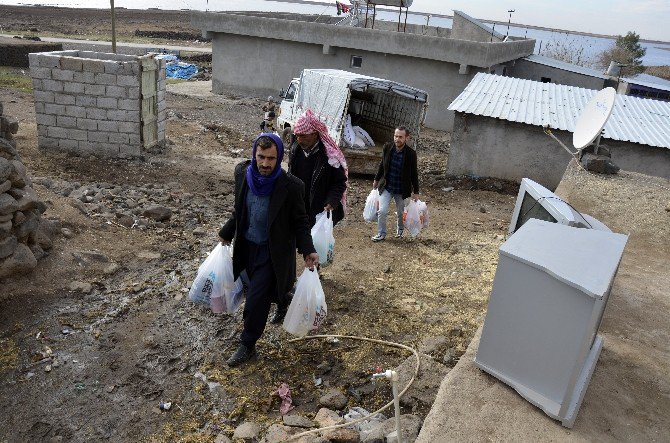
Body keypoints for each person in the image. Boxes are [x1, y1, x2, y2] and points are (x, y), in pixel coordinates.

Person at [218, 133, 319, 367]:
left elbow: (301, 222)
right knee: (257, 287)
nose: (265, 164)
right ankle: (283, 300)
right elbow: (239, 211)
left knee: (255, 299)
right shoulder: (243, 175)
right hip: (246, 247)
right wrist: (226, 233)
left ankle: (248, 343)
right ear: (254, 154)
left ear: (279, 158)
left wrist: (308, 250)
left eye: (271, 158)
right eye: (261, 157)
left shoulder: (292, 186)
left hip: (271, 252)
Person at [288, 108, 348, 228]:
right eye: (297, 136)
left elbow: (340, 182)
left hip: (318, 209)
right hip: (297, 206)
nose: (299, 140)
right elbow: (290, 174)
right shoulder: (295, 149)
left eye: (303, 136)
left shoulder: (329, 156)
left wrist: (332, 200)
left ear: (315, 134)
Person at [371, 126, 419, 242]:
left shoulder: (411, 154)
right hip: (387, 186)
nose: (397, 139)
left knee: (401, 212)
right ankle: (381, 233)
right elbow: (382, 165)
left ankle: (400, 229)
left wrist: (416, 191)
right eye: (396, 136)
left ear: (406, 138)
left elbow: (414, 173)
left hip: (401, 190)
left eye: (400, 137)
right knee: (382, 211)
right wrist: (376, 180)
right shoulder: (387, 148)